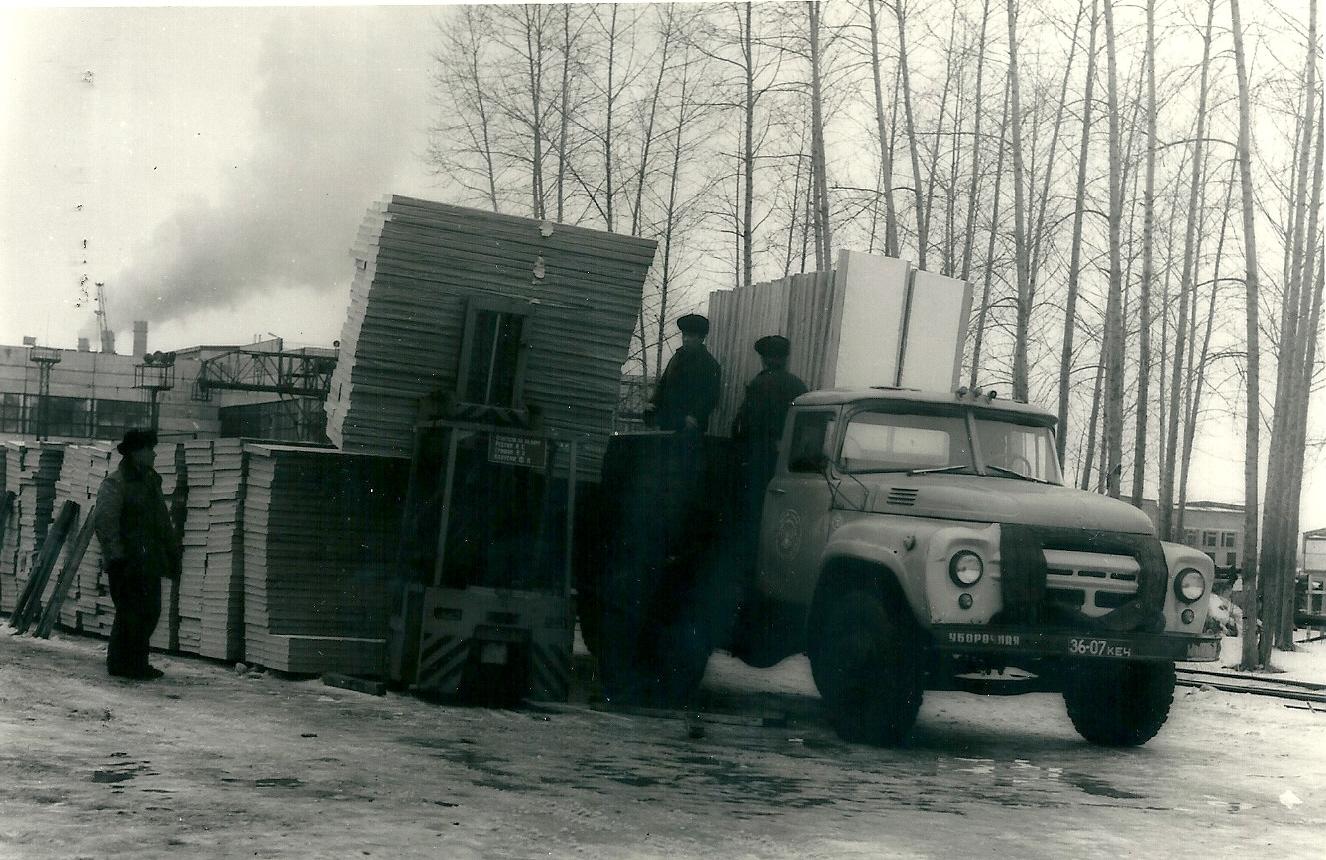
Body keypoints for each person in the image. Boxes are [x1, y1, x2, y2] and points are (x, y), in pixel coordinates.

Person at [94, 429, 181, 680]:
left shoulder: (151, 482)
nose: (154, 454)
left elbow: (162, 521)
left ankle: (137, 663)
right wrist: (116, 557)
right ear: (135, 453)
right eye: (149, 449)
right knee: (129, 614)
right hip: (127, 562)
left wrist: (171, 552)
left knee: (150, 612)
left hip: (149, 560)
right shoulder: (115, 483)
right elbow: (105, 523)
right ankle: (121, 664)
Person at [733, 335, 808, 523]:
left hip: (760, 457)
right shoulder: (799, 385)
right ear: (785, 358)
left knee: (756, 509)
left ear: (764, 359)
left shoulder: (759, 384)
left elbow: (745, 424)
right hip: (791, 461)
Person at [647, 313, 722, 434]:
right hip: (669, 424)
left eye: (691, 336)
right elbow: (663, 384)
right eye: (684, 335)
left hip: (690, 428)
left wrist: (694, 416)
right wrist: (653, 403)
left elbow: (710, 397)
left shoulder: (709, 364)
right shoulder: (676, 358)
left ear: (701, 338)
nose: (686, 339)